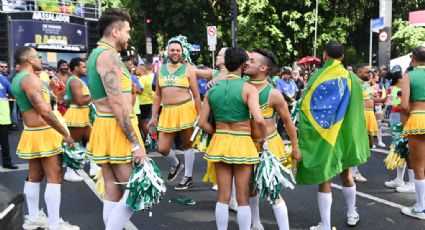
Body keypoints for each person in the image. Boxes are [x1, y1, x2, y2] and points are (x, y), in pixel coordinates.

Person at [296, 42, 370, 230]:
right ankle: (352, 213)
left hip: (325, 136)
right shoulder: (352, 77)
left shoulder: (318, 76)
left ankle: (326, 225)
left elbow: (306, 104)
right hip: (346, 136)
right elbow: (357, 111)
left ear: (324, 56)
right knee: (347, 175)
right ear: (343, 57)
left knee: (325, 179)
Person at [86, 9, 147, 229]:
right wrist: (134, 143)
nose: (129, 36)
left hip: (105, 124)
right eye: (127, 31)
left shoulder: (96, 54)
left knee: (112, 189)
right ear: (115, 31)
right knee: (137, 191)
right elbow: (117, 104)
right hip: (114, 126)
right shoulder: (108, 56)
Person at [199, 47, 267, 230]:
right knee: (243, 196)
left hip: (220, 141)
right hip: (242, 141)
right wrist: (262, 138)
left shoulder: (213, 89)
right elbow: (259, 119)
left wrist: (217, 133)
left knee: (223, 195)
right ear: (243, 64)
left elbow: (201, 122)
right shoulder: (248, 89)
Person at [12, 47, 79, 230]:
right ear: (31, 59)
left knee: (34, 174)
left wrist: (54, 93)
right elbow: (44, 111)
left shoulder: (21, 78)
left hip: (33, 130)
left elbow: (40, 105)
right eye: (39, 56)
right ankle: (54, 224)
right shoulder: (30, 79)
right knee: (54, 175)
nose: (41, 60)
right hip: (44, 131)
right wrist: (65, 134)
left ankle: (34, 218)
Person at [244, 48, 300, 230]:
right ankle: (256, 223)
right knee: (249, 187)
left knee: (273, 191)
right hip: (246, 145)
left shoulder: (273, 93)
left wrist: (296, 147)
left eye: (251, 61)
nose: (246, 62)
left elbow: (288, 121)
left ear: (262, 68)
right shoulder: (241, 86)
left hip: (268, 147)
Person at [148, 36, 202, 190]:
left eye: (178, 50)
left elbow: (197, 95)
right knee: (162, 148)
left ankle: (188, 177)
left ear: (182, 52)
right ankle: (176, 164)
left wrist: (200, 116)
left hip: (186, 109)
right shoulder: (160, 70)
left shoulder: (189, 69)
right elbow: (158, 95)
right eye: (172, 50)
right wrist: (153, 116)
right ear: (168, 51)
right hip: (167, 112)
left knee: (187, 144)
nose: (175, 52)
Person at [63, 57, 100, 179]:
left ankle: (94, 167)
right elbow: (80, 101)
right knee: (73, 143)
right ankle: (69, 171)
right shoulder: (75, 81)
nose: (86, 69)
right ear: (75, 68)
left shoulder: (77, 80)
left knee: (94, 139)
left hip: (83, 115)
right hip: (77, 115)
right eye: (83, 67)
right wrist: (94, 94)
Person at [401, 46, 425, 220]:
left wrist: (410, 116)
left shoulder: (409, 75)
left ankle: (421, 207)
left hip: (417, 118)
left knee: (419, 167)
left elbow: (403, 105)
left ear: (413, 59)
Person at [351, 64, 378, 183]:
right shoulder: (354, 83)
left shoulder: (367, 84)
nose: (370, 74)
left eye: (371, 72)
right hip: (360, 115)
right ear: (360, 71)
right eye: (368, 72)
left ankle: (350, 167)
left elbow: (371, 98)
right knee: (358, 144)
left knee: (370, 144)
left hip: (370, 115)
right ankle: (354, 171)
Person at [0, 71, 17, 169]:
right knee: (4, 141)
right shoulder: (3, 78)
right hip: (2, 113)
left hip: (3, 113)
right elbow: (12, 92)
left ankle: (7, 162)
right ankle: (7, 162)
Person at [137, 63, 154, 137]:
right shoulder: (149, 78)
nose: (136, 70)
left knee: (142, 122)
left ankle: (151, 137)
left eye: (137, 68)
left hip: (142, 103)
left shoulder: (141, 79)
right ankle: (152, 137)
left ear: (141, 70)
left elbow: (140, 90)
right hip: (149, 102)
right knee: (148, 122)